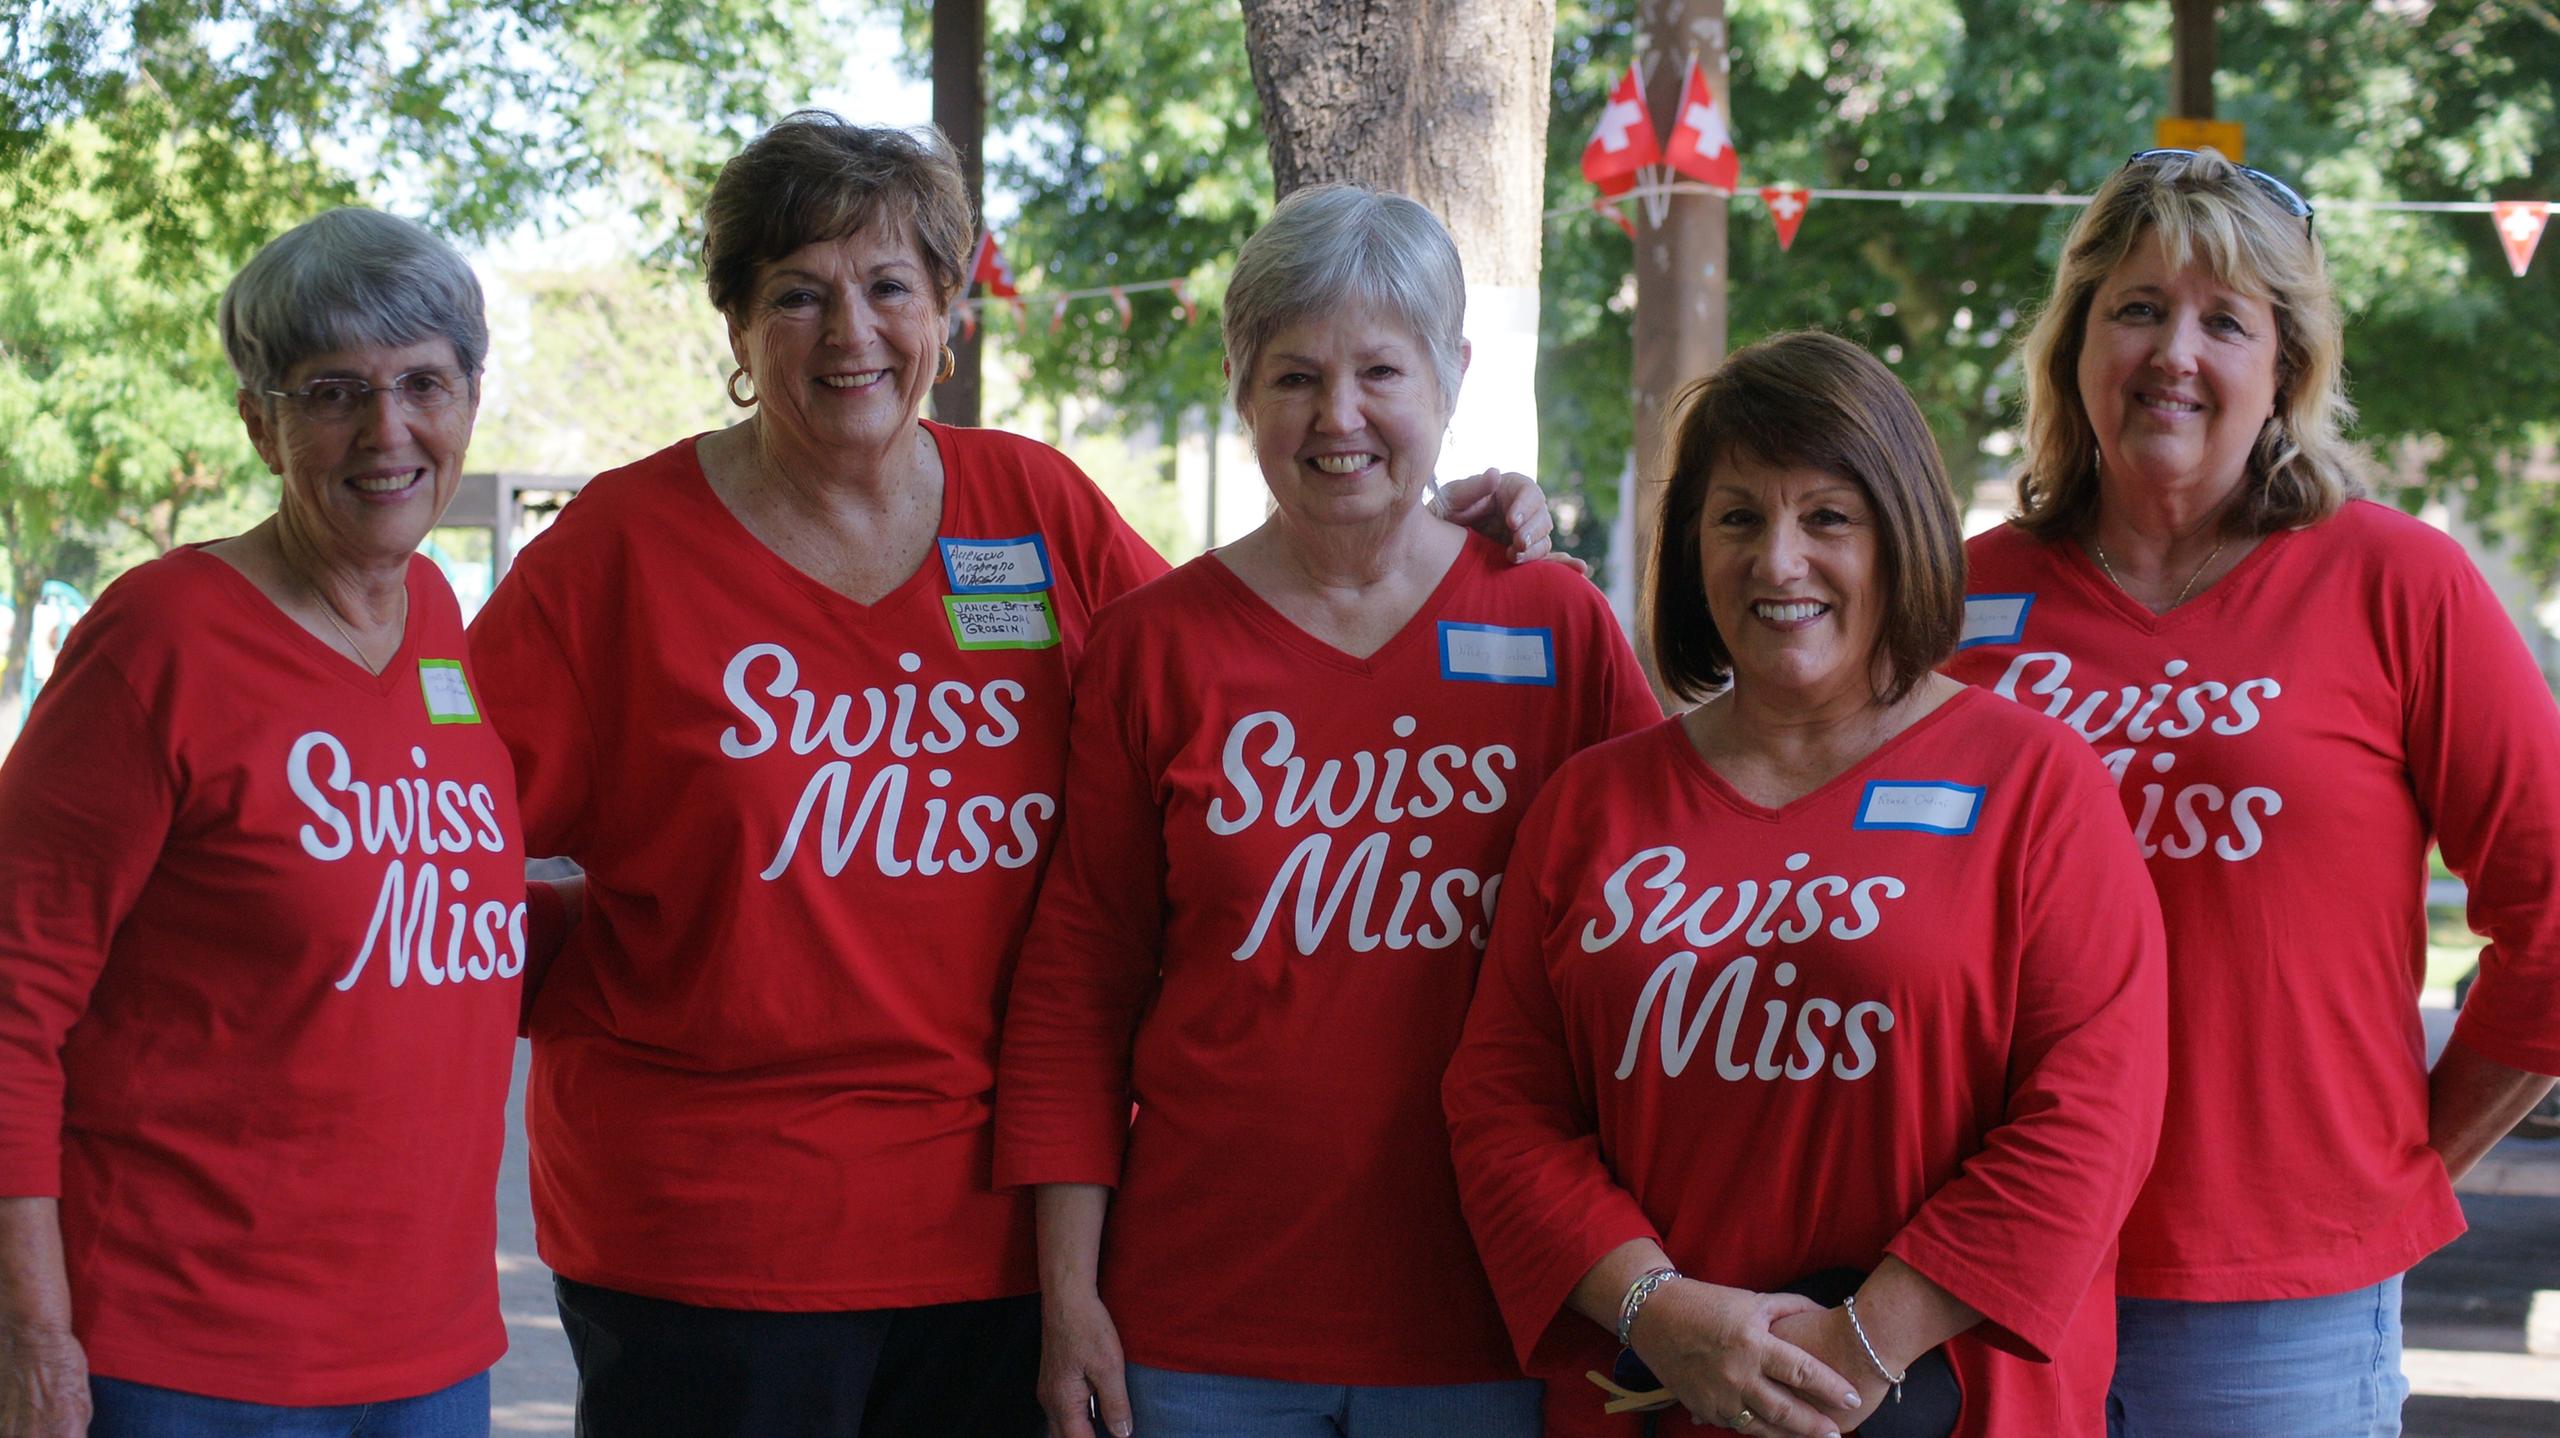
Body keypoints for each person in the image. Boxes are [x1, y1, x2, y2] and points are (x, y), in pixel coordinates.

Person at [465, 116, 1557, 1438]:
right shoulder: (616, 558)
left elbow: (1255, 689)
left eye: (888, 288)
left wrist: (1433, 531)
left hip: (999, 1241)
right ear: (738, 328)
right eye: (797, 294)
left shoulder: (1034, 512)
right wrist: (586, 948)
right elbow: (434, 846)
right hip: (712, 1234)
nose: (849, 333)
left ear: (949, 311)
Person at [992, 182, 1660, 1438]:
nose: (1337, 416)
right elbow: (1079, 986)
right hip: (1200, 1326)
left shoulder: (1552, 624)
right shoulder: (1154, 648)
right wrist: (1068, 1297)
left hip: (1493, 1313)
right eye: (1293, 375)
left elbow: (1677, 901)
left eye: (1379, 372)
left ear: (1451, 375)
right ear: (1241, 386)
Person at [1445, 331, 2169, 1438]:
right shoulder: (1593, 806)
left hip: (1946, 1397)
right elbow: (1505, 1111)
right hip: (1655, 1398)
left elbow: (2094, 1115)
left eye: (1826, 517)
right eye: (1737, 517)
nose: (1777, 562)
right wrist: (1660, 1312)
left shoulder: (2034, 783)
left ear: (1900, 537)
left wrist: (1867, 1338)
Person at [1947, 148, 2560, 1436]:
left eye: (2224, 320)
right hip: (1976, 1272)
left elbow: (2552, 911)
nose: (2174, 351)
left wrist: (2402, 1164)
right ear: (2074, 345)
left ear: (2282, 367)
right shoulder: (1954, 602)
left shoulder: (2397, 582)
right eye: (2135, 307)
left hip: (2276, 1301)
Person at [0, 209, 533, 1437]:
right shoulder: (163, 639)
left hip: (430, 1352)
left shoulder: (441, 621)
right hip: (187, 1358)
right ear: (261, 422)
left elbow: (419, 922)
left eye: (423, 385)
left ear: (466, 399)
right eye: (335, 392)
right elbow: (13, 996)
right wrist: (34, 1330)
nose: (387, 430)